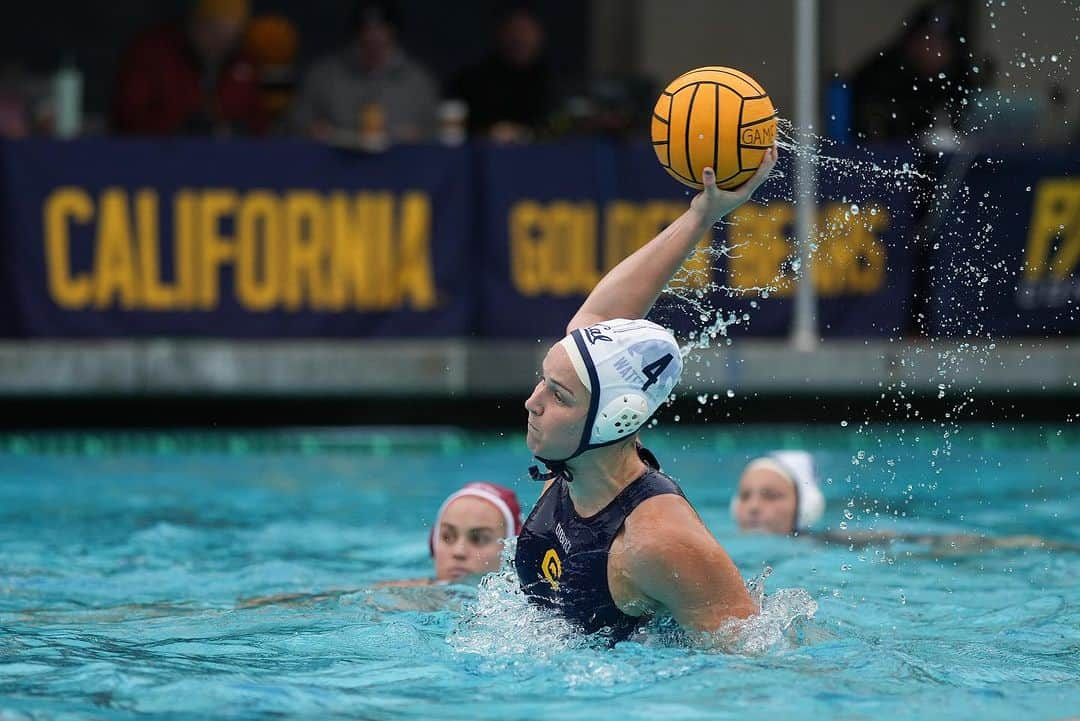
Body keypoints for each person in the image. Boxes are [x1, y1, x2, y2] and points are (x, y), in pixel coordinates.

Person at [513, 151, 779, 642]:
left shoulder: (659, 542)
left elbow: (753, 665)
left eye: (558, 395)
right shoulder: (578, 465)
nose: (533, 402)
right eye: (542, 381)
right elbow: (595, 320)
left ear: (613, 420)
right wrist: (703, 214)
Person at [237, 482, 522, 607]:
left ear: (511, 551)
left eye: (479, 539)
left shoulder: (525, 604)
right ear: (433, 545)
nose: (458, 551)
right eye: (447, 537)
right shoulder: (408, 592)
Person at [730, 452, 1079, 552]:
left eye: (771, 495)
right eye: (746, 496)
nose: (754, 507)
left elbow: (914, 541)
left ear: (805, 508)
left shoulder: (835, 543)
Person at [287, 0, 438, 145]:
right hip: (335, 167)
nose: (373, 36)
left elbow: (438, 135)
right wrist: (311, 130)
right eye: (367, 29)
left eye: (381, 29)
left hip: (402, 166)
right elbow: (294, 125)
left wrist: (420, 138)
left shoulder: (419, 81)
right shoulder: (324, 75)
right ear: (356, 33)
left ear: (394, 32)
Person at [112, 0, 264, 136]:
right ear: (195, 23)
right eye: (213, 29)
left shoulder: (245, 63)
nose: (221, 42)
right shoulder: (153, 55)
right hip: (160, 156)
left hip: (228, 160)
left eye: (232, 34)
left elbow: (259, 124)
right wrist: (179, 130)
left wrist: (239, 132)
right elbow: (128, 119)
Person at [449, 5, 553, 142]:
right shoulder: (473, 81)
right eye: (513, 29)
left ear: (540, 33)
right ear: (499, 32)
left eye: (526, 30)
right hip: (487, 158)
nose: (519, 38)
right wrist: (487, 134)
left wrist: (525, 133)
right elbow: (455, 133)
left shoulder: (554, 84)